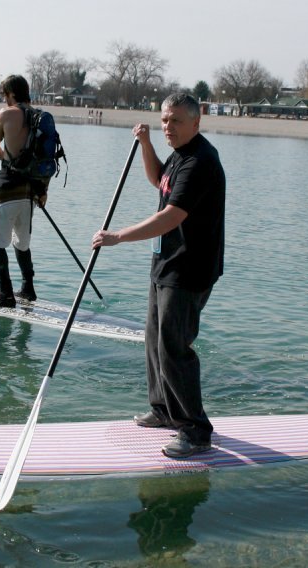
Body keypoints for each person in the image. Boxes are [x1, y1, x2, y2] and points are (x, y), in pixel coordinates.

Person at [91, 94, 225, 458]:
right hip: (166, 263)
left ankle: (196, 431)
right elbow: (159, 181)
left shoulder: (200, 160)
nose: (169, 127)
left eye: (176, 121)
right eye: (165, 120)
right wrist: (147, 144)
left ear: (196, 123)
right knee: (154, 339)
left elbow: (171, 215)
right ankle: (164, 410)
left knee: (174, 347)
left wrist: (118, 236)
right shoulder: (180, 155)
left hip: (189, 269)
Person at [0, 74, 47, 309]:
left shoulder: (7, 114)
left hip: (8, 189)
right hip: (31, 193)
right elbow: (46, 157)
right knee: (22, 242)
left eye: (4, 96)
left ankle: (5, 294)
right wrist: (43, 191)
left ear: (9, 94)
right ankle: (28, 289)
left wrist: (10, 159)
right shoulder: (41, 117)